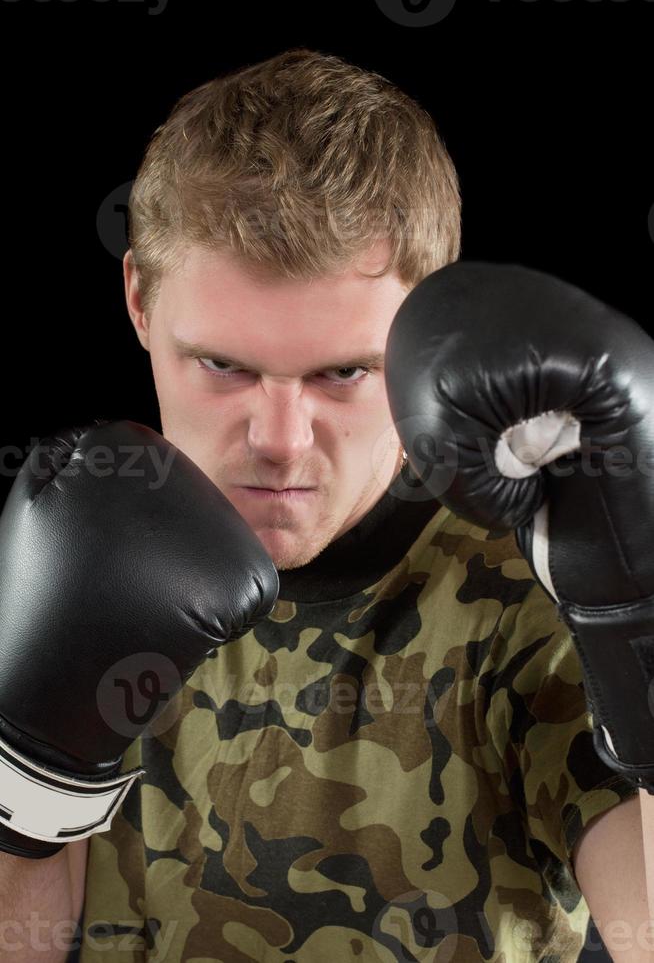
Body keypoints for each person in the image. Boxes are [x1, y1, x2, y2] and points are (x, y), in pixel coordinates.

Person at [0, 48, 648, 962]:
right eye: (223, 366)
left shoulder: (526, 600)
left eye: (344, 373)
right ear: (139, 301)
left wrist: (639, 621)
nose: (282, 438)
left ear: (427, 338)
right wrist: (27, 785)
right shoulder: (50, 564)